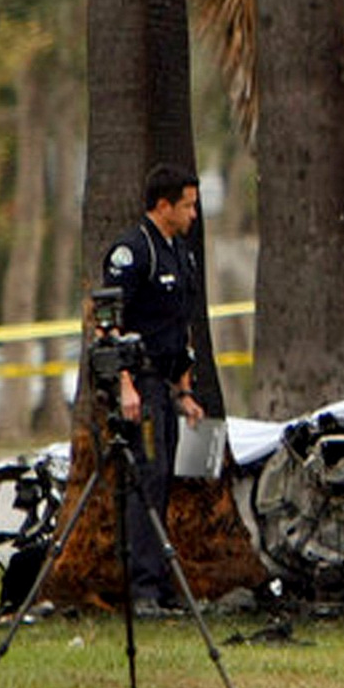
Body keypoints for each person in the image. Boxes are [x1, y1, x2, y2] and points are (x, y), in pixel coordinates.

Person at [101, 163, 204, 617]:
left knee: (164, 479)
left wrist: (184, 390)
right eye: (188, 205)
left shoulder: (181, 253)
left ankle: (161, 586)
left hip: (165, 384)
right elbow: (109, 324)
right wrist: (124, 384)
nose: (193, 214)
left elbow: (180, 325)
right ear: (163, 206)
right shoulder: (132, 251)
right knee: (147, 476)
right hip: (137, 384)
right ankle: (141, 588)